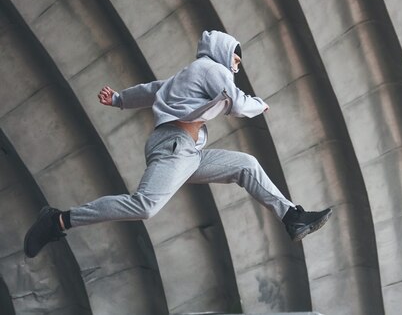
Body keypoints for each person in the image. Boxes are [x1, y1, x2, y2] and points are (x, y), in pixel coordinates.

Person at [24, 30, 332, 258]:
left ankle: (292, 216)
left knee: (246, 166)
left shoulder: (188, 74)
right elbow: (238, 105)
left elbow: (153, 89)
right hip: (174, 146)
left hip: (190, 153)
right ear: (223, 53)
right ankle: (59, 219)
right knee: (144, 206)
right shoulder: (212, 69)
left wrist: (119, 99)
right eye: (235, 59)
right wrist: (259, 104)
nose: (237, 67)